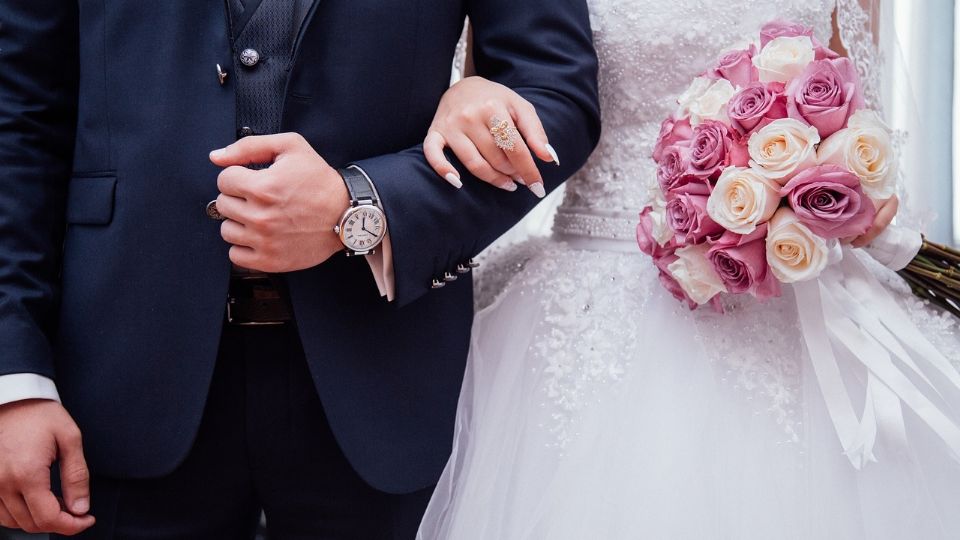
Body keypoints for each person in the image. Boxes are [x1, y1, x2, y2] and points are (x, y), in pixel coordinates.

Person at [0, 1, 600, 538]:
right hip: (121, 367)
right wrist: (13, 375)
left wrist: (364, 206)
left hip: (383, 370)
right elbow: (19, 114)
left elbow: (555, 97)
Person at [416, 1, 960, 538]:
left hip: (798, 283)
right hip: (594, 303)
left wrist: (854, 193)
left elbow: (851, 95)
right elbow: (509, 109)